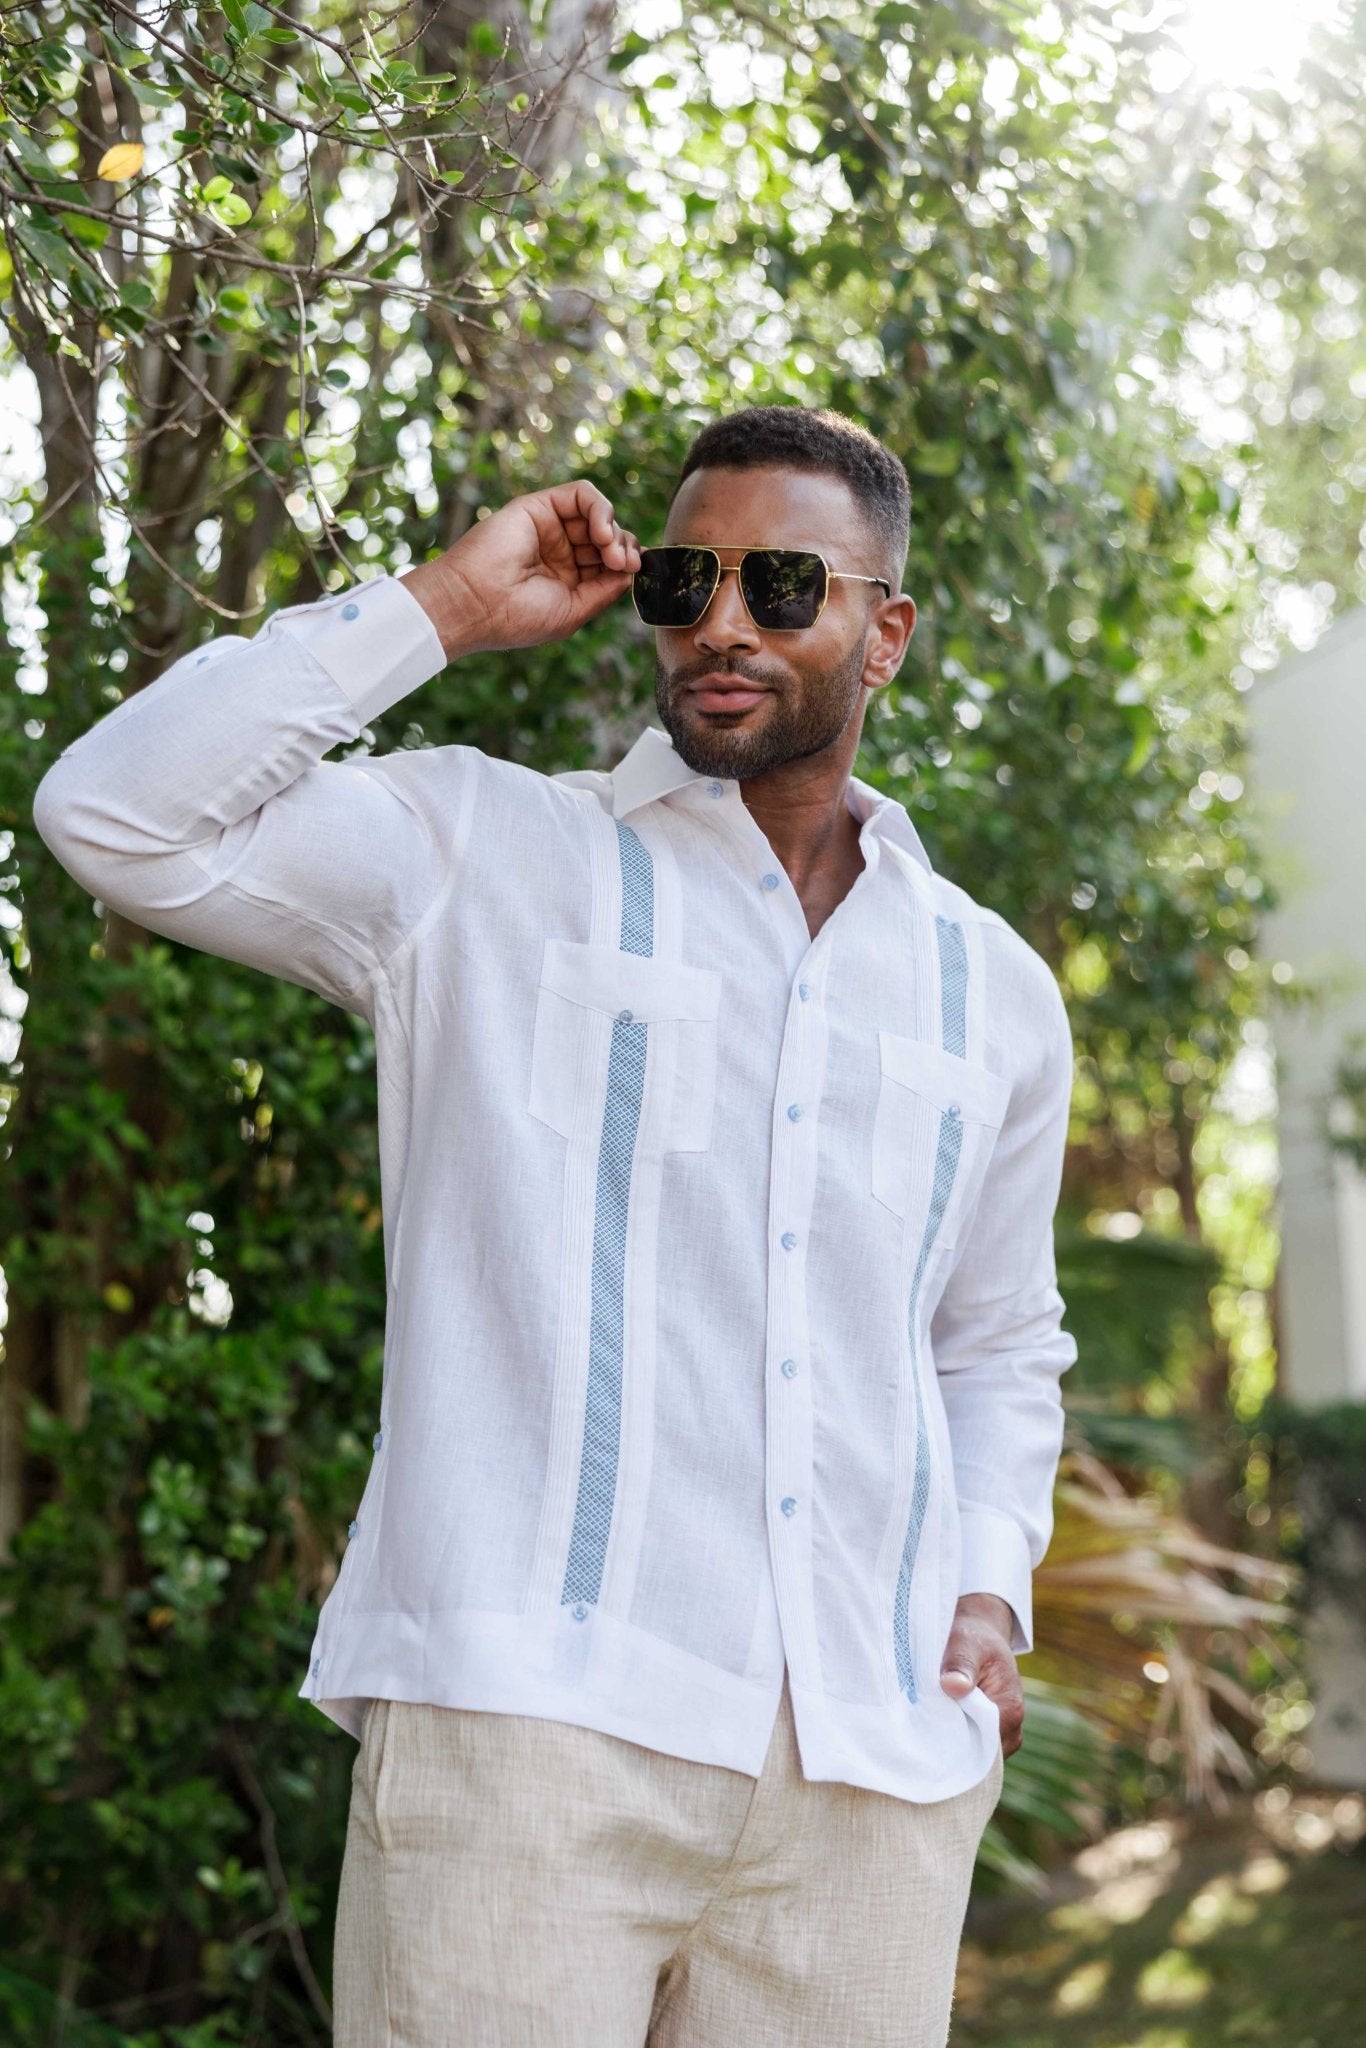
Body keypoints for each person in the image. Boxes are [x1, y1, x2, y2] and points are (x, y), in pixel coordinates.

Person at [33, 404, 1077, 2046]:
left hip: (869, 1774)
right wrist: (443, 607)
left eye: (782, 584)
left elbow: (996, 1337)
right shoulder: (479, 855)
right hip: (526, 1735)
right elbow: (118, 817)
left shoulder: (990, 990)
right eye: (683, 579)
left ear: (886, 630)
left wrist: (985, 1585)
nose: (720, 622)